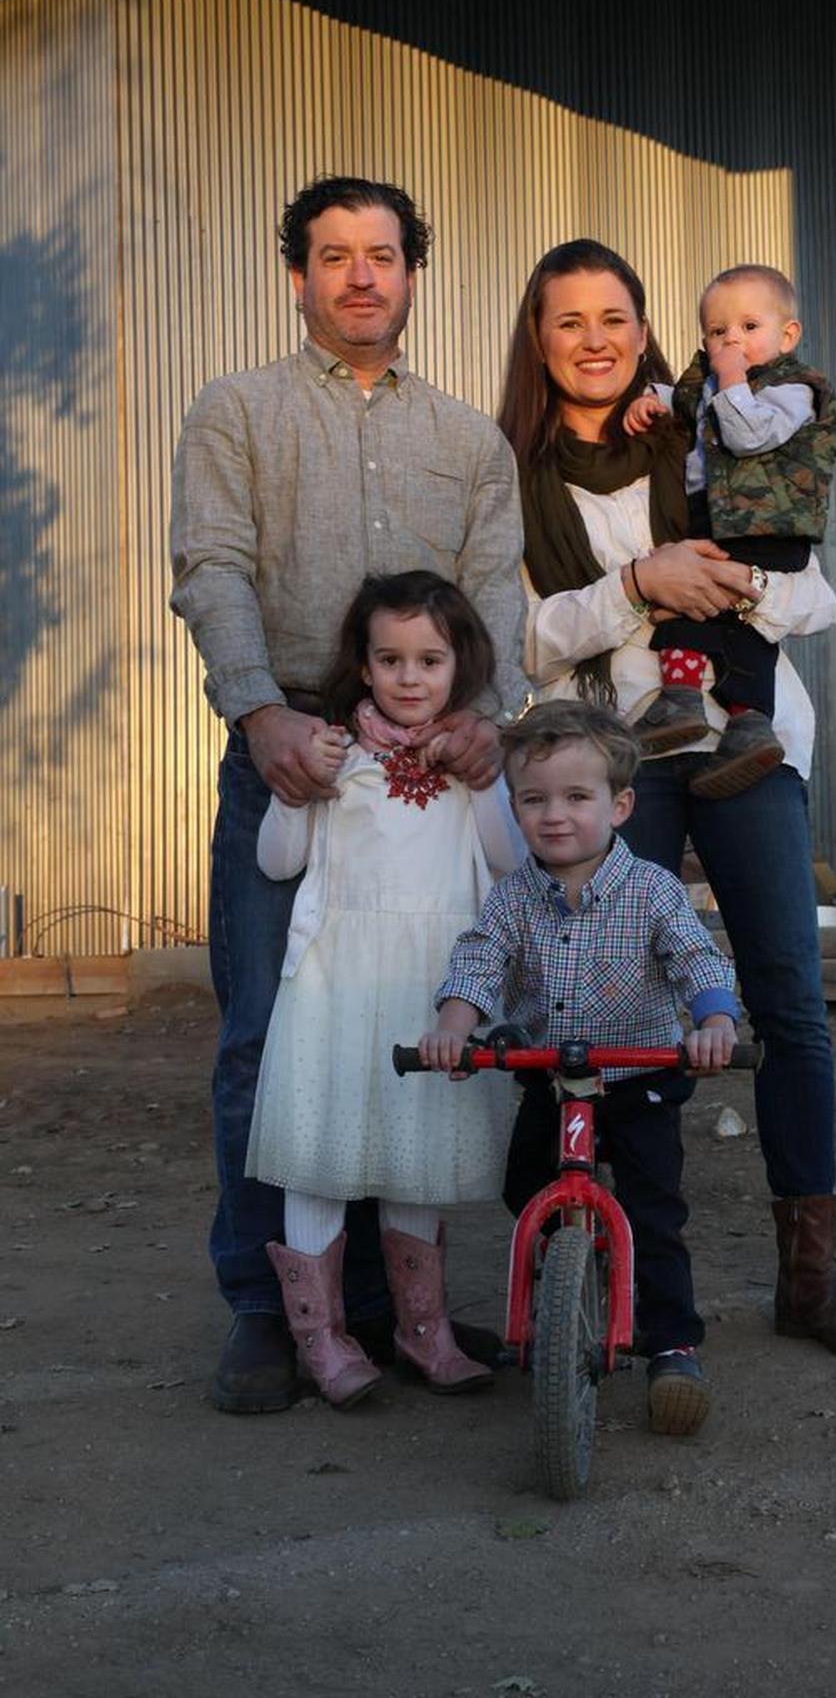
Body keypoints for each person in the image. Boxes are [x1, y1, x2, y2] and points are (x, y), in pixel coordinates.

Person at [497, 239, 836, 1362]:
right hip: (615, 758)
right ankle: (610, 1255)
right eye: (569, 320)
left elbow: (812, 589)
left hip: (746, 739)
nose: (595, 339)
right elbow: (524, 634)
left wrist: (732, 584)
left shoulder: (709, 425)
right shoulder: (514, 476)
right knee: (609, 1007)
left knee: (785, 995)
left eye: (615, 316)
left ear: (645, 327)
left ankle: (810, 1274)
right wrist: (639, 586)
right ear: (539, 340)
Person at [169, 175, 528, 1414]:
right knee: (270, 1038)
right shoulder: (238, 412)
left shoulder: (469, 439)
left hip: (433, 782)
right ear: (299, 275)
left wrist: (493, 715)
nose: (361, 275)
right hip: (294, 760)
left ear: (414, 273)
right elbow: (210, 564)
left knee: (420, 1033)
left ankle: (391, 1308)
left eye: (383, 254)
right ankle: (269, 1311)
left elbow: (500, 589)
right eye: (334, 255)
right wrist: (260, 708)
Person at [420, 700, 741, 1436]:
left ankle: (671, 1346)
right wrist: (453, 1028)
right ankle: (559, 1302)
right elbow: (479, 961)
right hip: (553, 1075)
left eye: (576, 797)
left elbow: (696, 957)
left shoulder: (653, 890)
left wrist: (715, 1022)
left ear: (619, 804)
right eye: (533, 799)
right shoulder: (510, 898)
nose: (554, 815)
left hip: (640, 1075)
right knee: (523, 1185)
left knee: (655, 1212)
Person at [246, 572, 524, 1404]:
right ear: (363, 668)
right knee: (320, 1157)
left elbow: (509, 861)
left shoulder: (471, 761)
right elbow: (276, 862)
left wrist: (484, 783)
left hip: (433, 984)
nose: (410, 676)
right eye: (391, 658)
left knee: (415, 1150)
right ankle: (321, 1340)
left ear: (458, 665)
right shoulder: (338, 754)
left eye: (430, 659)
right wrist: (298, 787)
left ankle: (422, 1330)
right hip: (336, 982)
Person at [623, 264, 836, 799]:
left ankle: (747, 722)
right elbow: (685, 401)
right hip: (718, 519)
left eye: (748, 327)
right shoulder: (713, 383)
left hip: (768, 524)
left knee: (740, 627)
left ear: (787, 336)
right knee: (692, 604)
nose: (732, 341)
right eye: (719, 332)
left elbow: (747, 436)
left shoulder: (794, 389)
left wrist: (733, 379)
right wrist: (652, 398)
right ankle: (684, 701)